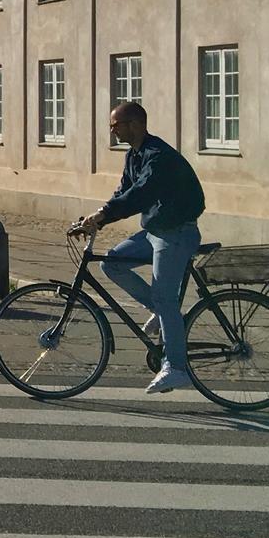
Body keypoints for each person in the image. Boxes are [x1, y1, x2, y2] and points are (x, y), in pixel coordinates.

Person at [69, 101, 207, 393]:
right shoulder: (134, 155)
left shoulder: (158, 156)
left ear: (134, 124)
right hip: (156, 231)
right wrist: (96, 219)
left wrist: (104, 214)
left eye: (115, 125)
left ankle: (177, 368)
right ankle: (161, 313)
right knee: (112, 263)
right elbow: (124, 191)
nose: (112, 131)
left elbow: (140, 194)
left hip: (177, 234)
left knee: (166, 298)